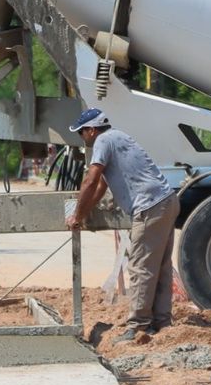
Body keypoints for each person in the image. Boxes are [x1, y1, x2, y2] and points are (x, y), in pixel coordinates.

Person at [64, 108, 180, 341]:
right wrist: (83, 213)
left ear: (92, 130)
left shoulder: (102, 141)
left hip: (149, 207)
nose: (82, 138)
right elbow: (102, 187)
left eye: (82, 133)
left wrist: (76, 215)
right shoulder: (119, 137)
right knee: (160, 266)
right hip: (167, 201)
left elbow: (91, 180)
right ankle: (161, 321)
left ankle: (138, 326)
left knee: (140, 266)